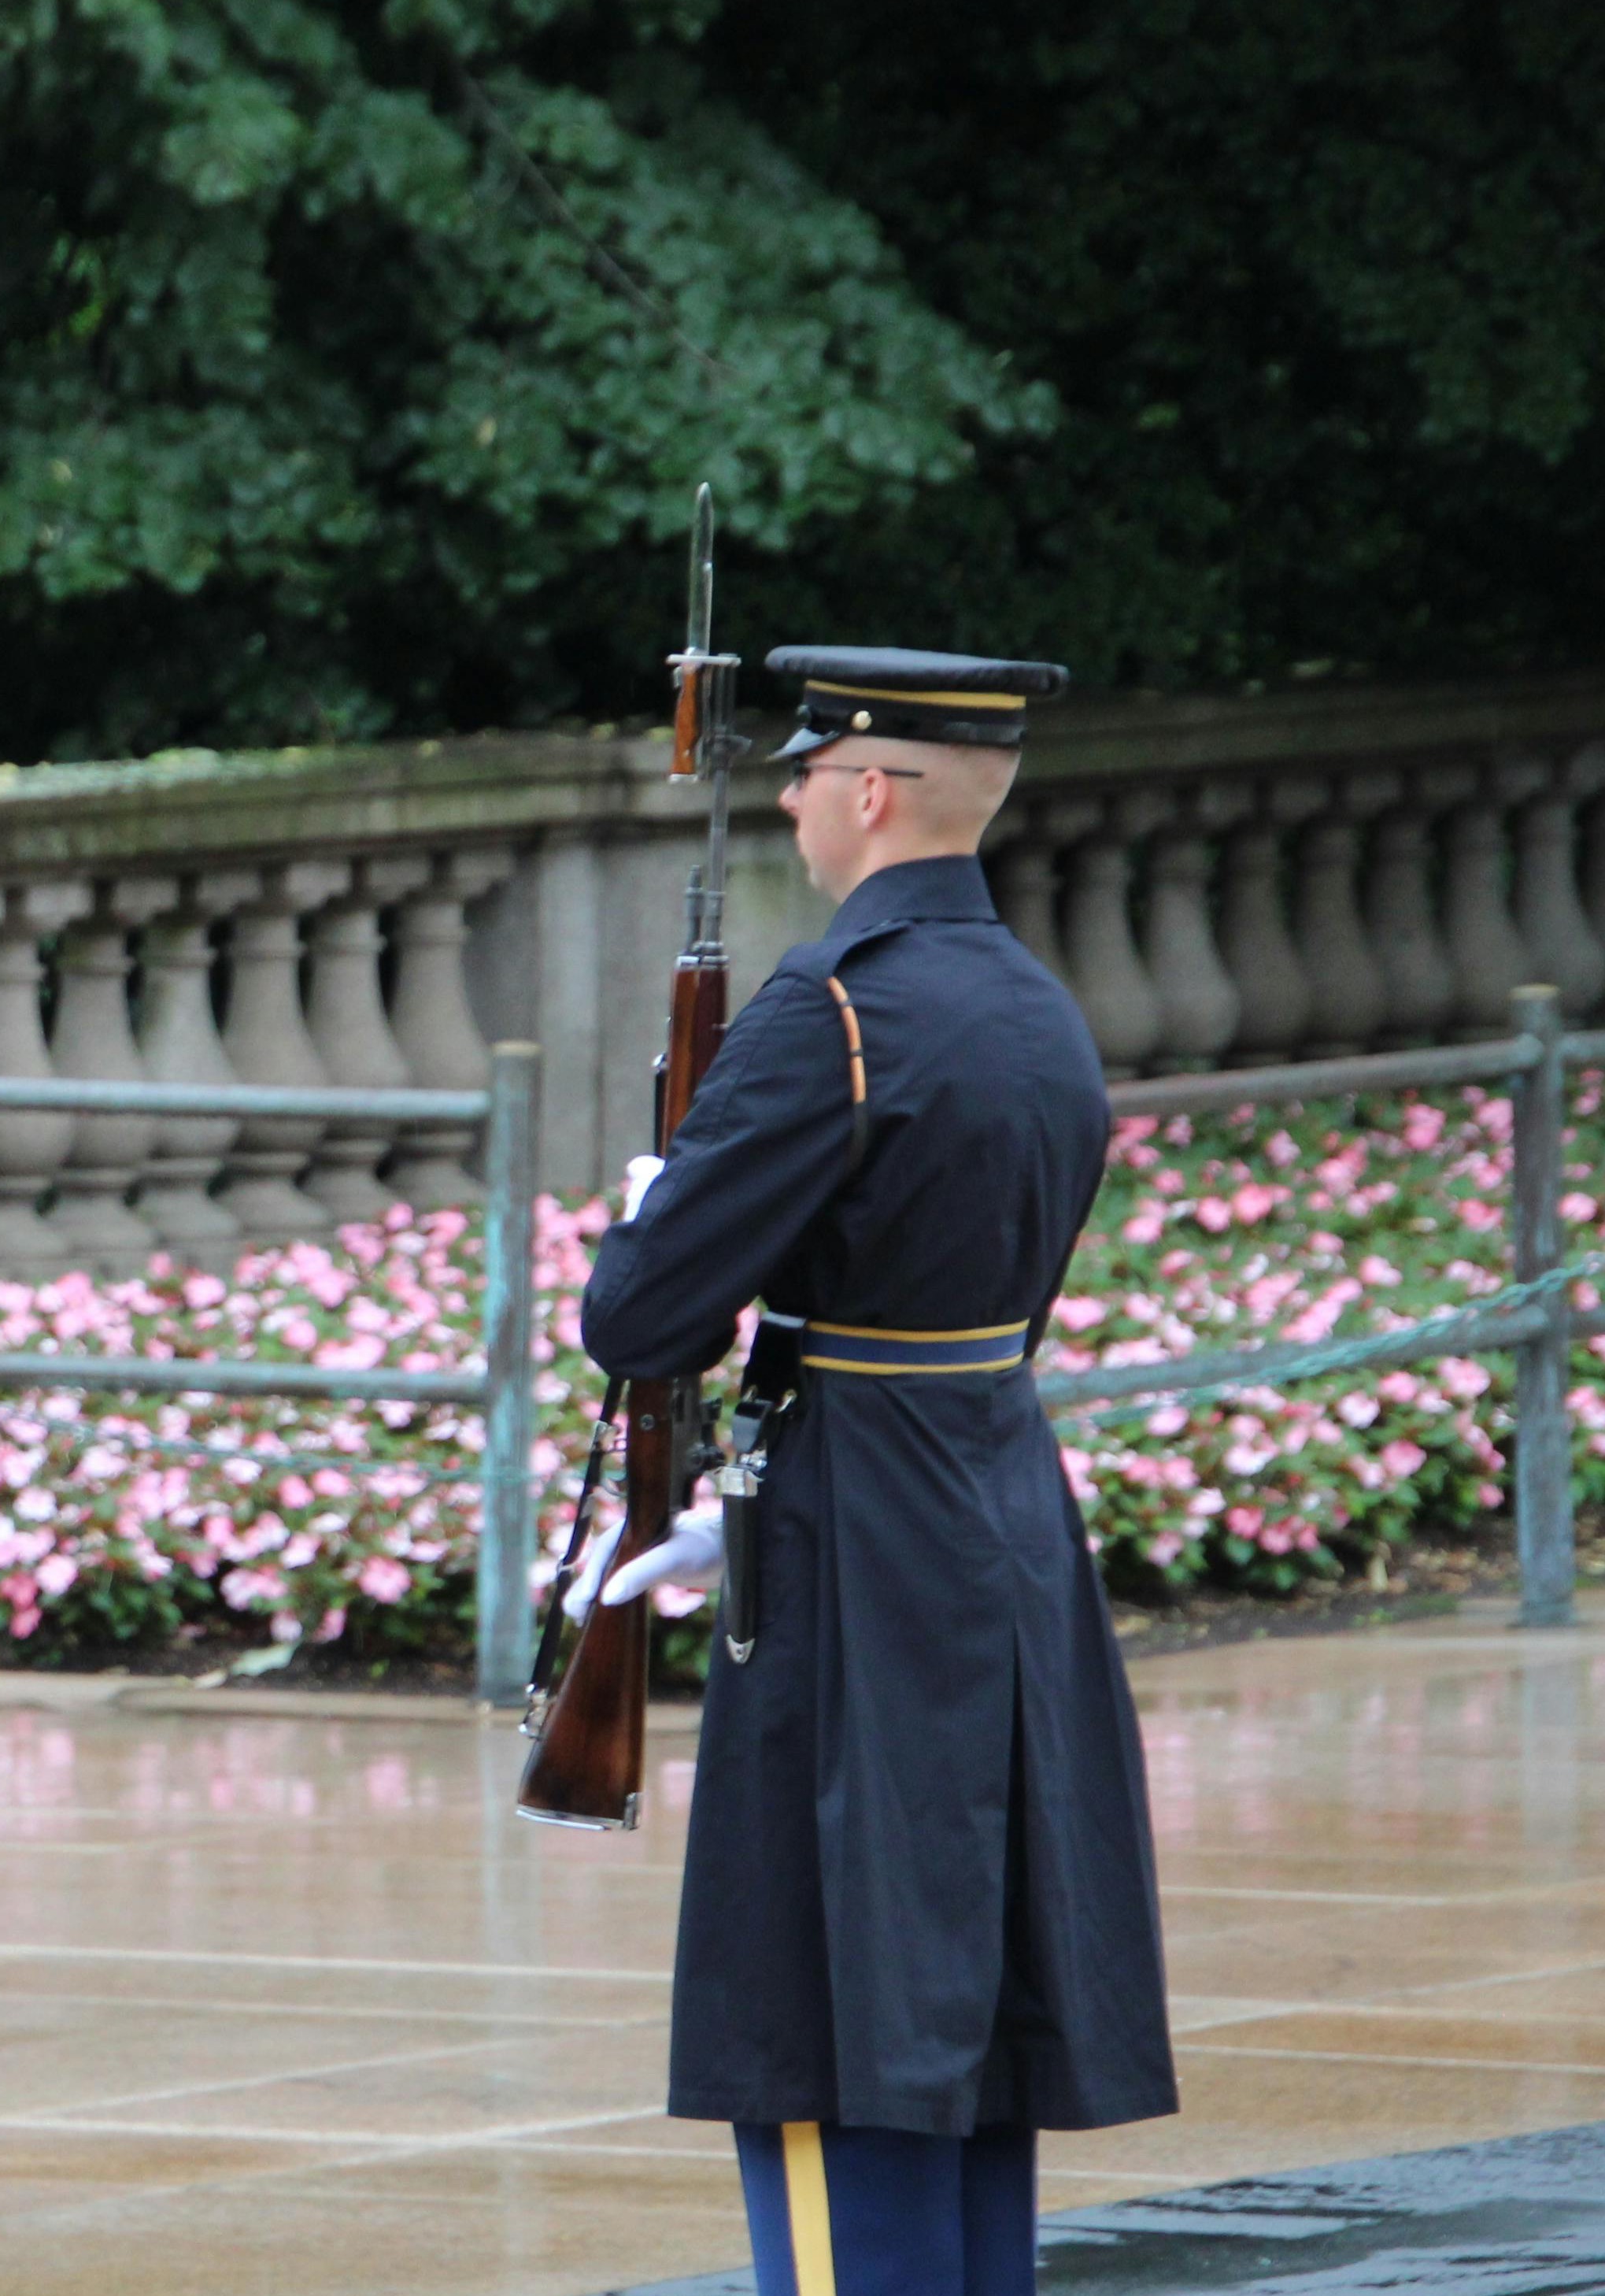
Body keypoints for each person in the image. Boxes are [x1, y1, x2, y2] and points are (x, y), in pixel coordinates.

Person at [576, 648, 1177, 2296]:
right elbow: (981, 1304)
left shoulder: (831, 1012)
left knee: (836, 2021)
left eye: (803, 771)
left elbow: (638, 1321)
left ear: (869, 790)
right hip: (993, 1506)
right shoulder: (1034, 1012)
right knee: (963, 2017)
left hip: (852, 1547)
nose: (781, 799)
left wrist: (659, 1204)